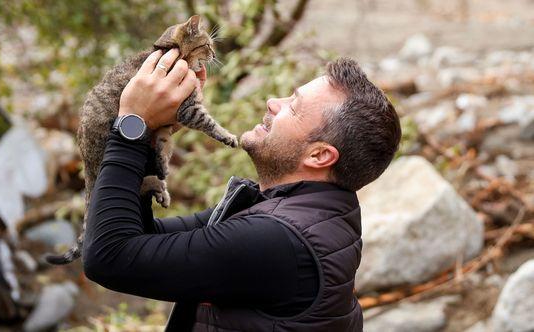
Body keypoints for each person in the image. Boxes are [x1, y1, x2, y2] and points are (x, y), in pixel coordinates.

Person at [83, 48, 401, 331]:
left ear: (319, 155)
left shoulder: (278, 241)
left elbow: (109, 256)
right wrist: (153, 132)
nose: (273, 103)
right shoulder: (304, 215)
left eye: (294, 106)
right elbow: (142, 236)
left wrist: (133, 123)